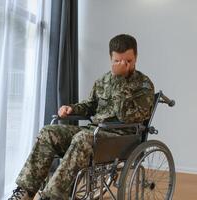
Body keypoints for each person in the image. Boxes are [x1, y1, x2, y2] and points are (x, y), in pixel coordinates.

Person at [8, 34, 155, 200]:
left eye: (128, 61)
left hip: (122, 137)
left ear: (136, 57)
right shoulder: (103, 81)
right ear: (110, 58)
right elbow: (90, 105)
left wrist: (121, 82)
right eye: (118, 61)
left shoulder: (144, 85)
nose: (124, 65)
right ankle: (25, 192)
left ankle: (51, 197)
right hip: (94, 132)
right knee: (48, 132)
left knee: (83, 137)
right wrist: (71, 108)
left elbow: (131, 117)